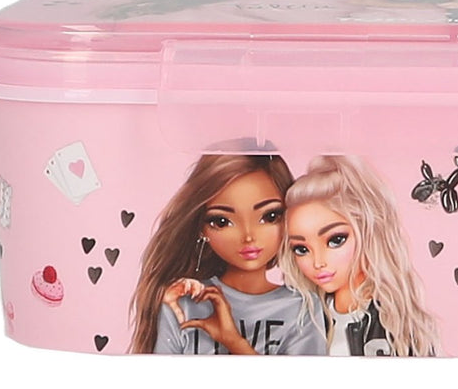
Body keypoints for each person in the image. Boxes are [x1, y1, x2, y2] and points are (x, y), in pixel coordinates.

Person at [130, 152, 326, 356]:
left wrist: (232, 340)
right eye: (222, 222)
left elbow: (304, 379)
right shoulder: (184, 302)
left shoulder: (301, 309)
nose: (248, 236)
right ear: (201, 228)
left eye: (269, 216)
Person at [280, 155, 439, 357]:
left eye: (335, 240)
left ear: (369, 232)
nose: (318, 262)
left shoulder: (395, 323)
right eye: (302, 249)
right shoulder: (304, 320)